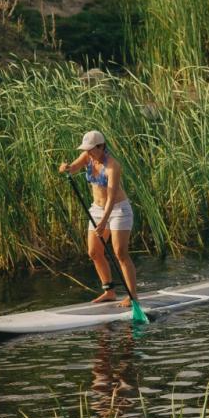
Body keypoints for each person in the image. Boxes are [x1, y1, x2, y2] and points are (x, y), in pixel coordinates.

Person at [59, 130, 140, 306]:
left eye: (91, 149)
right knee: (94, 252)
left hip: (118, 210)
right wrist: (65, 168)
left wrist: (104, 222)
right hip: (96, 209)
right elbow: (72, 168)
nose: (88, 152)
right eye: (86, 149)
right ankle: (109, 292)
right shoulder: (87, 157)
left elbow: (111, 198)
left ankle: (133, 296)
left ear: (101, 146)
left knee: (120, 253)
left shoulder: (113, 166)